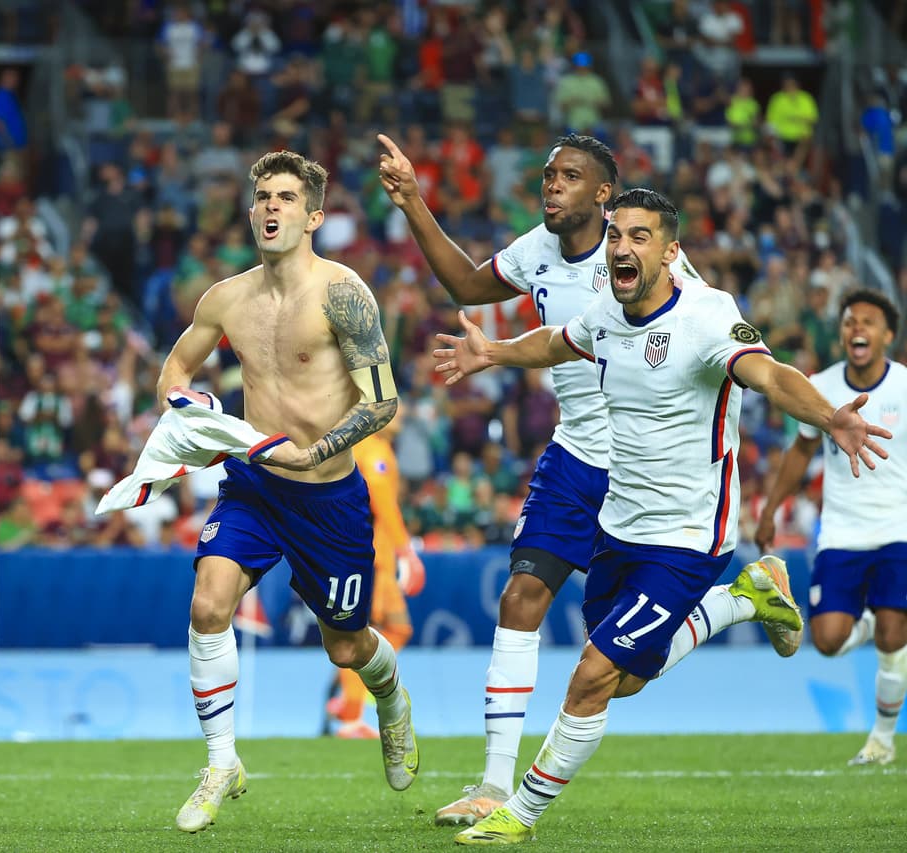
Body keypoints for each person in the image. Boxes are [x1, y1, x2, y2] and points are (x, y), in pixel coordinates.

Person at [432, 189, 890, 845]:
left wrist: (827, 414)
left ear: (671, 251)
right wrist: (496, 353)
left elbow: (767, 373)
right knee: (624, 680)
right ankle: (741, 599)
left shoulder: (708, 316)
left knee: (591, 673)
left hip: (687, 536)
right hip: (618, 526)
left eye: (640, 236)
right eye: (617, 234)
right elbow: (560, 343)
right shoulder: (606, 312)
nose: (622, 246)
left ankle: (517, 812)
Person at [377, 131, 714, 825]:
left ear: (602, 193)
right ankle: (495, 783)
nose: (550, 185)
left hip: (645, 477)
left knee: (623, 674)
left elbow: (712, 345)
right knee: (519, 597)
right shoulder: (534, 248)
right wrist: (412, 199)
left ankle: (736, 603)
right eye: (547, 174)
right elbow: (469, 285)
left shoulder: (656, 270)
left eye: (568, 176)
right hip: (573, 459)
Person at [157, 150, 419, 833]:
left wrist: (320, 448)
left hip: (329, 499)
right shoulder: (226, 298)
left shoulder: (343, 292)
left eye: (285, 198)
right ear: (251, 212)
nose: (272, 207)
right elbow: (176, 371)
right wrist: (190, 415)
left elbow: (383, 401)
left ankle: (390, 701)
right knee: (209, 603)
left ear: (313, 217)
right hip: (254, 487)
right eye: (263, 197)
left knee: (347, 646)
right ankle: (221, 762)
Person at [755, 288, 907, 766]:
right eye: (848, 321)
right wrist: (770, 509)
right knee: (826, 641)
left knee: (892, 636)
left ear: (887, 335)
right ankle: (876, 621)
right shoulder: (818, 387)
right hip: (841, 533)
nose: (856, 328)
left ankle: (881, 741)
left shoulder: (905, 386)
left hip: (898, 528)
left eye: (867, 321)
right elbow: (800, 450)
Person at [326, 409, 426, 738]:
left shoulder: (373, 448)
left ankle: (354, 694)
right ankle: (352, 709)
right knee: (378, 630)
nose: (400, 417)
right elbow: (383, 504)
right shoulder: (372, 449)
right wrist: (406, 550)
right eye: (394, 412)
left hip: (370, 554)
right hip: (372, 556)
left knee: (391, 628)